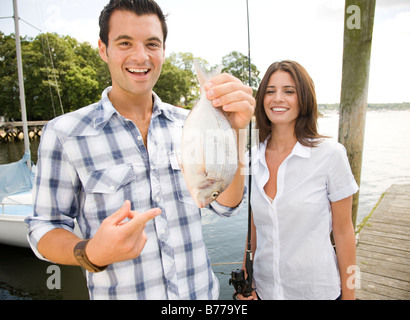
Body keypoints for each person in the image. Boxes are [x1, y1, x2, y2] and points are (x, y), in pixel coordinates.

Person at [25, 0, 255, 300]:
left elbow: (226, 206)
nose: (141, 56)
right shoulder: (64, 133)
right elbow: (44, 226)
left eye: (152, 43)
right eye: (124, 42)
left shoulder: (190, 124)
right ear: (103, 49)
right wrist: (90, 252)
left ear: (163, 51)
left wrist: (236, 133)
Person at [236, 60, 358, 300]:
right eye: (270, 91)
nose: (277, 98)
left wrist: (350, 295)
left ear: (304, 99)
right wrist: (244, 277)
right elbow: (255, 228)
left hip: (316, 292)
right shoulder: (252, 158)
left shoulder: (331, 154)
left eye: (289, 91)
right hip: (263, 292)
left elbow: (344, 232)